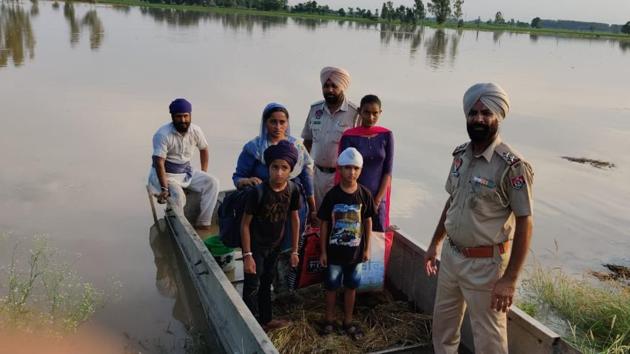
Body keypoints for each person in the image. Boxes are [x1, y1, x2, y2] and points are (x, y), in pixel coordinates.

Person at [423, 83, 534, 354]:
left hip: (486, 266)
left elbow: (525, 222)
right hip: (451, 256)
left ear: (498, 116)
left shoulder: (512, 165)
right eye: (473, 113)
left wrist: (509, 279)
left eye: (486, 113)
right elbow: (452, 201)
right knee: (443, 329)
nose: (479, 119)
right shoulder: (461, 155)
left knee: (489, 340)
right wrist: (434, 243)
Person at [232, 102, 315, 292]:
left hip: (292, 204)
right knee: (262, 253)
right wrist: (247, 181)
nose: (278, 127)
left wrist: (313, 208)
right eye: (273, 122)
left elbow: (306, 178)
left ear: (287, 124)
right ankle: (257, 292)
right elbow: (237, 177)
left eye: (282, 122)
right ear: (265, 123)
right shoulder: (253, 148)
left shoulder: (297, 147)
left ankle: (283, 291)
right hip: (262, 209)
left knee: (288, 250)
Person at [241, 140, 301, 330]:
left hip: (275, 245)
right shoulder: (257, 192)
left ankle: (266, 321)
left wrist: (295, 250)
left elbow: (295, 219)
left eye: (284, 168)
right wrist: (247, 255)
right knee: (252, 284)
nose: (279, 172)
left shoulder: (293, 190)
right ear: (269, 168)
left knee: (267, 282)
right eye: (275, 167)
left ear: (290, 170)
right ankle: (249, 324)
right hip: (256, 245)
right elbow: (245, 225)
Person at [318, 147, 375, 340]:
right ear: (339, 169)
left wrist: (367, 248)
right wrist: (323, 251)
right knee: (332, 286)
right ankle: (329, 320)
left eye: (355, 168)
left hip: (356, 254)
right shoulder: (332, 195)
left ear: (360, 170)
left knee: (351, 287)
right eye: (347, 168)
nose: (351, 172)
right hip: (334, 254)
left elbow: (368, 221)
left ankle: (348, 321)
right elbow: (324, 223)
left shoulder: (365, 194)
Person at [148, 98, 220, 236]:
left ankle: (203, 224)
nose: (183, 120)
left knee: (212, 182)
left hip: (185, 171)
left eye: (186, 116)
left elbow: (204, 149)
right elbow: (159, 163)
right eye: (179, 116)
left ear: (190, 115)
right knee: (179, 196)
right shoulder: (162, 134)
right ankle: (180, 231)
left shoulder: (196, 130)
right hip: (164, 175)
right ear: (172, 117)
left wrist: (203, 172)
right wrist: (164, 189)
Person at [301, 66, 359, 207]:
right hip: (316, 175)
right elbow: (307, 142)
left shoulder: (354, 113)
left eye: (334, 86)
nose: (330, 90)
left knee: (338, 219)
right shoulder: (315, 110)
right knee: (314, 217)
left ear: (342, 87)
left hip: (342, 177)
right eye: (326, 86)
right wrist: (302, 170)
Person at [339, 94, 394, 232]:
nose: (371, 117)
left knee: (376, 241)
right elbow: (344, 170)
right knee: (351, 236)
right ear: (359, 111)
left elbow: (388, 171)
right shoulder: (349, 136)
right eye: (367, 112)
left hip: (378, 198)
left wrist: (376, 201)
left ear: (380, 113)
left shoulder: (386, 135)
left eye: (375, 113)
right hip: (353, 196)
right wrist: (354, 197)